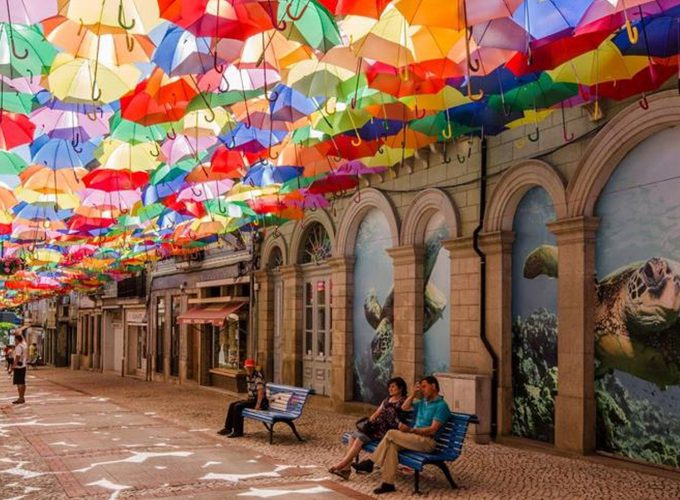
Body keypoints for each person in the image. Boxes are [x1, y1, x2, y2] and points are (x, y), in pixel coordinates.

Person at [352, 375, 451, 495]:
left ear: (434, 386)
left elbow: (432, 430)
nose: (422, 390)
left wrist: (410, 430)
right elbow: (404, 407)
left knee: (391, 434)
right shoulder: (423, 403)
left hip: (427, 442)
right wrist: (414, 394)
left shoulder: (441, 406)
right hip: (414, 439)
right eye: (421, 387)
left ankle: (371, 463)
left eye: (424, 387)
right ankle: (388, 484)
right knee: (392, 447)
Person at [329, 377, 407, 480]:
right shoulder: (387, 399)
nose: (390, 389)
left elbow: (405, 411)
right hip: (375, 428)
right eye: (389, 387)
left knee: (359, 439)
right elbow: (377, 412)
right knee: (352, 437)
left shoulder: (403, 401)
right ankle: (346, 469)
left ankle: (341, 465)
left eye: (393, 386)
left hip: (386, 432)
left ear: (400, 388)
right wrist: (373, 418)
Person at [216, 358, 267, 438]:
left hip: (257, 400)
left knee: (238, 407)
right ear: (245, 368)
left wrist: (258, 405)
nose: (249, 369)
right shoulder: (248, 376)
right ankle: (228, 428)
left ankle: (238, 431)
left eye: (251, 367)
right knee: (232, 405)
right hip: (251, 399)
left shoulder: (257, 377)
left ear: (254, 367)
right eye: (248, 367)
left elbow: (261, 392)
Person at [9, 334, 28, 404]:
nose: (14, 341)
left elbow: (17, 357)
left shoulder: (18, 347)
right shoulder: (24, 345)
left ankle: (20, 397)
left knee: (19, 383)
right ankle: (22, 397)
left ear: (17, 340)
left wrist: (13, 367)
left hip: (18, 367)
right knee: (22, 382)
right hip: (23, 366)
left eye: (15, 340)